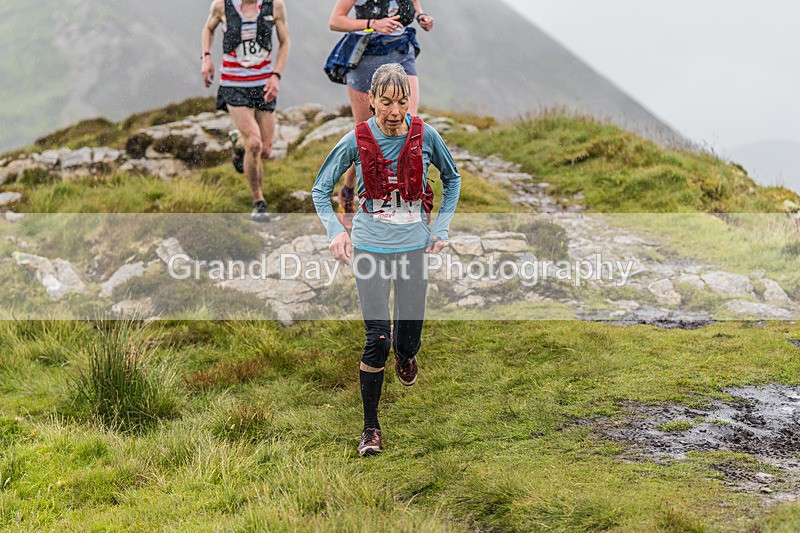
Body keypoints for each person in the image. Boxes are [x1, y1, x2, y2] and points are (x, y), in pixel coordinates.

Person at [312, 64, 461, 456]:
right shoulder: (355, 140)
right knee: (377, 338)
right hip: (370, 247)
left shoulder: (425, 135)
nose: (395, 112)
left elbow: (454, 178)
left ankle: (407, 356)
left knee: (406, 343)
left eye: (402, 102)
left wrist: (441, 229)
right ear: (371, 100)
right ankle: (370, 428)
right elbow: (319, 189)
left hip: (414, 248)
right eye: (386, 102)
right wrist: (336, 231)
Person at [328, 0, 435, 230]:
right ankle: (348, 190)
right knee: (367, 137)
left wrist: (420, 15)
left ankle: (407, 203)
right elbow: (335, 21)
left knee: (408, 127)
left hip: (401, 53)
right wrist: (373, 23)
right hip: (366, 58)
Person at [202, 0, 290, 222]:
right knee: (255, 143)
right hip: (234, 85)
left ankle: (237, 141)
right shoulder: (221, 5)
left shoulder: (275, 6)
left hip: (263, 86)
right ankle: (258, 202)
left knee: (266, 150)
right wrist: (206, 58)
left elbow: (285, 42)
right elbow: (208, 29)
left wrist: (276, 75)